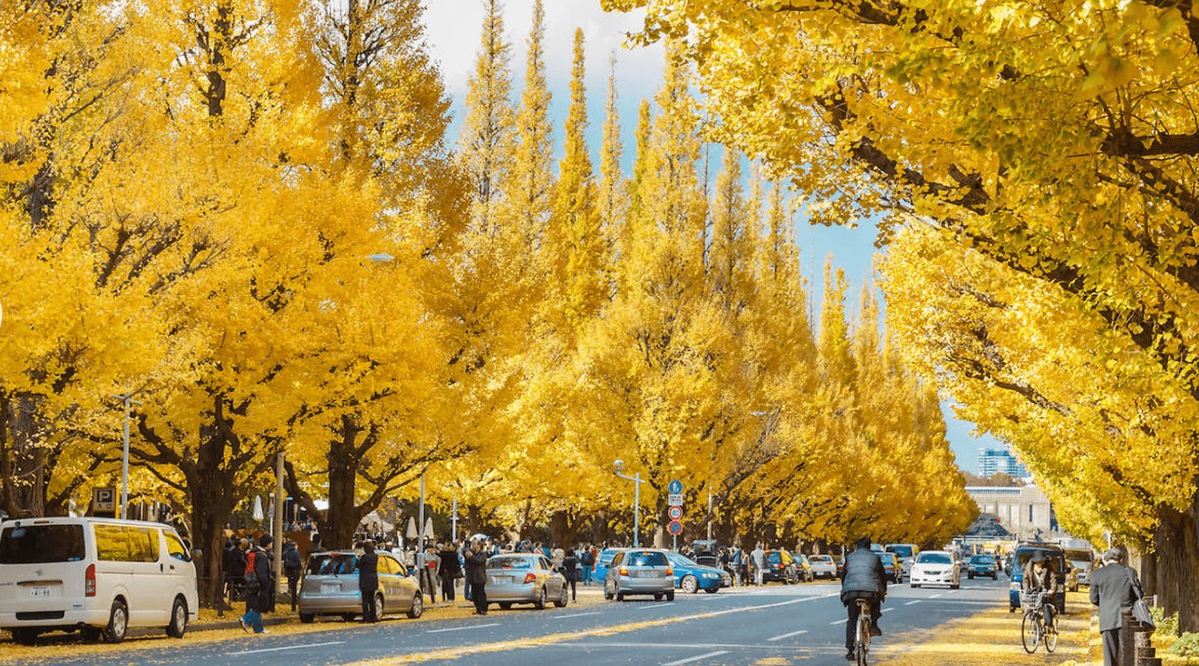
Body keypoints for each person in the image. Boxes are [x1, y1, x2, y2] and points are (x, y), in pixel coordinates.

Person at [1090, 548, 1141, 666]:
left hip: (1107, 618)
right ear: (1121, 559)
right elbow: (1139, 594)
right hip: (1128, 617)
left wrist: (1105, 605)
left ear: (1105, 559)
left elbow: (1093, 599)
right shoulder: (1130, 572)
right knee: (1128, 654)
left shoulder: (1097, 574)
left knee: (1110, 656)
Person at [840, 536, 887, 661]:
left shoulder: (849, 557)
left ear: (857, 545)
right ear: (869, 546)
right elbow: (882, 576)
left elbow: (843, 575)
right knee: (876, 602)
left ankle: (850, 650)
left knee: (852, 620)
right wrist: (884, 590)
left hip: (851, 592)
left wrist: (845, 588)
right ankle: (874, 625)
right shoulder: (875, 558)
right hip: (871, 592)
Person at [240, 535, 274, 634]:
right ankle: (245, 619)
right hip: (259, 584)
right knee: (258, 606)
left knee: (257, 605)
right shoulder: (262, 556)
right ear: (268, 544)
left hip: (252, 581)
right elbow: (262, 572)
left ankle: (258, 628)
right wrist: (265, 584)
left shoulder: (254, 552)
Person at [1021, 552, 1060, 632]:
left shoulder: (1048, 567)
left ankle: (1049, 625)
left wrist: (1052, 589)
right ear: (1035, 561)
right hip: (1034, 591)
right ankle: (1036, 629)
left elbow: (1053, 579)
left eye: (1042, 561)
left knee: (1045, 606)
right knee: (1032, 609)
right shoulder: (1029, 567)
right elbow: (1025, 579)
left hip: (1046, 591)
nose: (1041, 563)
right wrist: (1026, 588)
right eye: (1039, 562)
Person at [356, 540, 380, 622]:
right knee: (371, 600)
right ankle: (373, 616)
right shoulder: (375, 556)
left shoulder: (365, 557)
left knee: (365, 600)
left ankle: (366, 617)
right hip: (373, 580)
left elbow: (358, 565)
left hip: (365, 580)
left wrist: (358, 558)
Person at [465, 539, 489, 615]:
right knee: (474, 595)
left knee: (481, 594)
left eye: (475, 544)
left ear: (479, 545)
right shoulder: (471, 553)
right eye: (472, 544)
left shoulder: (483, 554)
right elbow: (467, 564)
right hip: (472, 577)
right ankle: (478, 608)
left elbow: (479, 561)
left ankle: (484, 609)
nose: (473, 546)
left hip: (480, 577)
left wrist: (471, 556)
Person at [283, 540, 303, 611]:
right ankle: (293, 606)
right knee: (294, 589)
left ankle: (293, 605)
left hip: (289, 572)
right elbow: (298, 563)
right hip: (295, 572)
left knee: (292, 587)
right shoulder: (296, 553)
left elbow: (285, 563)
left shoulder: (286, 553)